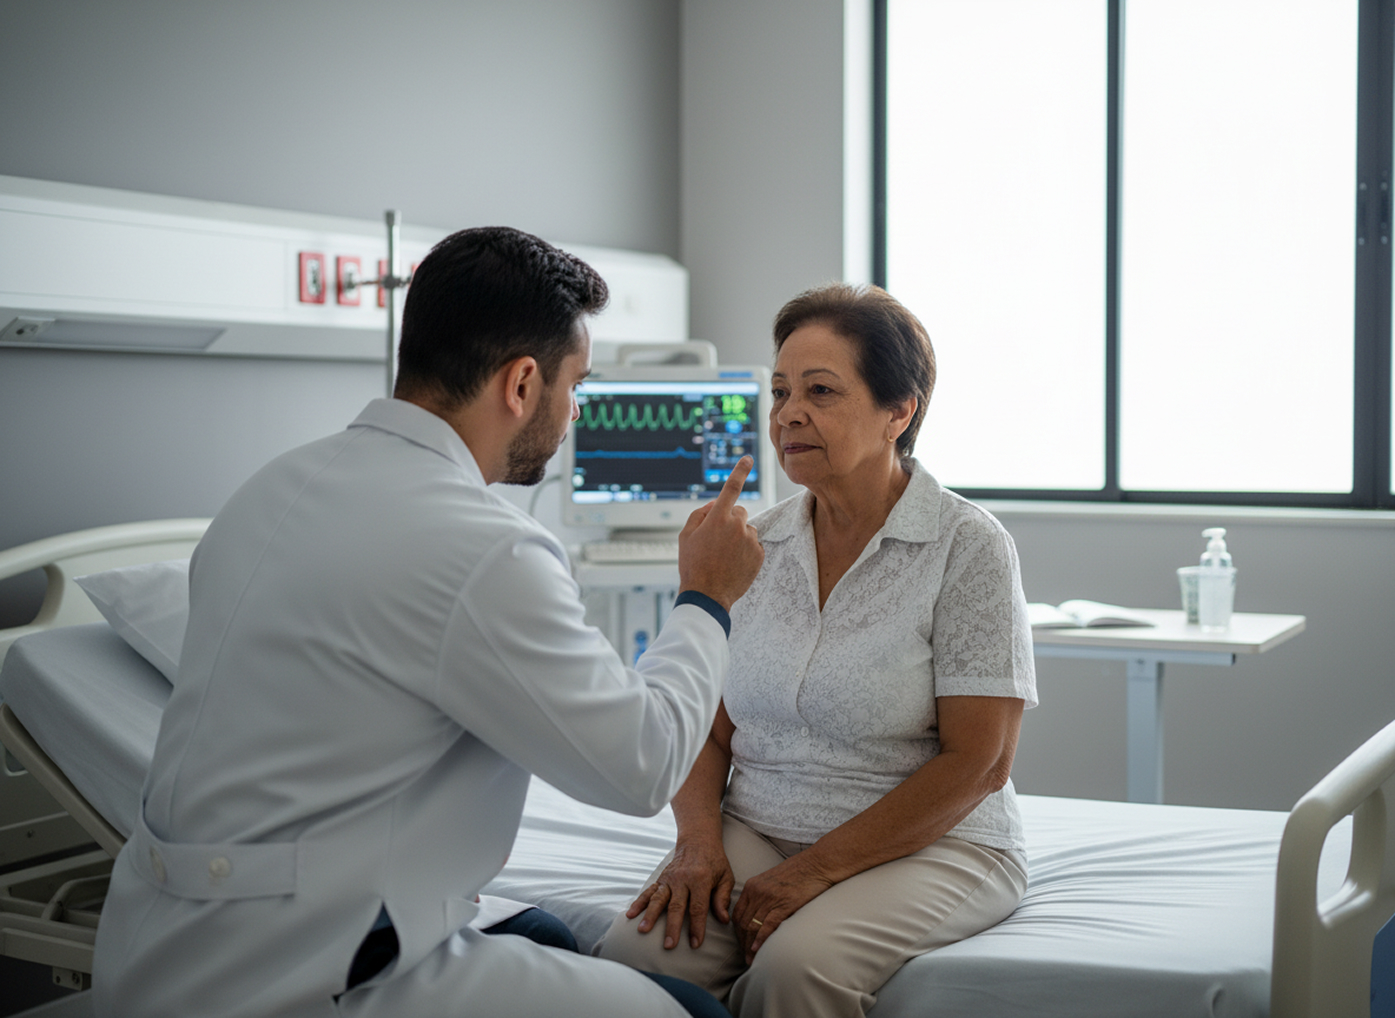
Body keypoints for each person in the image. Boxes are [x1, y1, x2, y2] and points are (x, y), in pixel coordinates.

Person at [91, 226, 764, 1018]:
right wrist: (706, 598)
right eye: (572, 384)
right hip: (314, 970)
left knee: (544, 930)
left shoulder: (272, 487)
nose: (573, 411)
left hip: (166, 944)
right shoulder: (485, 546)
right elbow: (640, 766)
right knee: (699, 1013)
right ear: (521, 383)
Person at [596, 283, 1037, 1018]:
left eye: (821, 391)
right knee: (634, 960)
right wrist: (697, 845)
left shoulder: (967, 548)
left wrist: (812, 874)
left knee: (792, 972)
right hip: (758, 829)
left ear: (900, 410)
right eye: (779, 391)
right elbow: (706, 728)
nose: (787, 413)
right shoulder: (753, 546)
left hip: (932, 846)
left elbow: (981, 762)